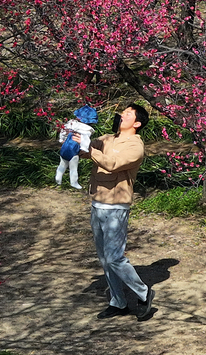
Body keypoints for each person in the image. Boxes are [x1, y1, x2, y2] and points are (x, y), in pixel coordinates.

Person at [75, 103, 156, 322]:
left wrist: (90, 150)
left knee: (114, 257)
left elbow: (112, 164)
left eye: (128, 113)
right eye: (123, 112)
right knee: (104, 258)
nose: (123, 115)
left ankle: (143, 292)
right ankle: (118, 302)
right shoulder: (107, 138)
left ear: (137, 123)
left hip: (116, 207)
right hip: (97, 203)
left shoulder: (135, 146)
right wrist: (75, 136)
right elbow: (85, 150)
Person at [55, 105, 98, 189]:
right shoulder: (86, 130)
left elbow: (63, 131)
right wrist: (84, 149)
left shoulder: (71, 124)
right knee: (73, 168)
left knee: (62, 164)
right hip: (74, 151)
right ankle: (74, 182)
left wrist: (62, 140)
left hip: (65, 147)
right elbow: (85, 141)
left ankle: (58, 178)